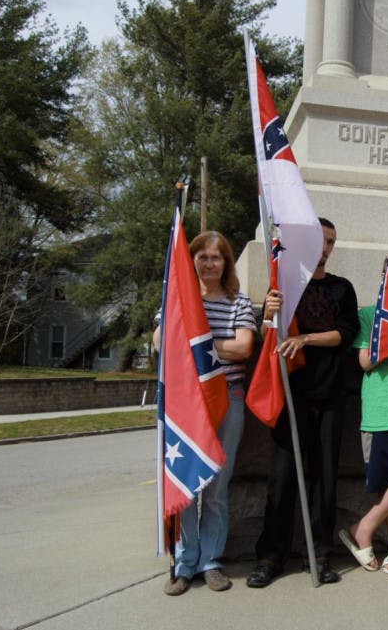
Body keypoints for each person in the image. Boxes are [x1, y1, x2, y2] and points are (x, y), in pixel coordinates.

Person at [247, 217, 359, 587]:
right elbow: (268, 338)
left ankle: (320, 554)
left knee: (324, 479)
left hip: (329, 395)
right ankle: (270, 555)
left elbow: (345, 334)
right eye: (319, 240)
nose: (324, 247)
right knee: (281, 479)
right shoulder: (286, 287)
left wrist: (307, 341)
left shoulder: (342, 289)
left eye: (330, 241)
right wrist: (267, 314)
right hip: (290, 395)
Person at [153, 231, 257, 595]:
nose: (210, 263)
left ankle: (211, 561)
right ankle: (185, 563)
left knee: (215, 489)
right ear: (192, 260)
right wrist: (209, 344)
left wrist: (196, 344)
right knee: (186, 486)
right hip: (186, 405)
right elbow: (160, 342)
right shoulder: (178, 298)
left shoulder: (238, 302)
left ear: (226, 262)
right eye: (203, 257)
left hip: (227, 398)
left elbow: (244, 347)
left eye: (217, 257)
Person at [339, 253, 388, 576]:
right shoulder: (369, 315)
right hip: (380, 408)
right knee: (385, 482)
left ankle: (363, 526)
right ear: (383, 279)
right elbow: (364, 362)